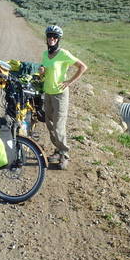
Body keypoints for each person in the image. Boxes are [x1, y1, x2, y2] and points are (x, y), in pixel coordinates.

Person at [39, 25, 88, 170]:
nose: (52, 39)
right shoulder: (44, 54)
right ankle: (58, 150)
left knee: (59, 127)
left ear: (58, 39)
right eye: (50, 36)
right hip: (47, 93)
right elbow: (45, 73)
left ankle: (64, 154)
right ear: (46, 38)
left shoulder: (64, 54)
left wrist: (69, 82)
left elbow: (82, 67)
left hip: (60, 95)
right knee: (50, 125)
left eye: (55, 37)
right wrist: (42, 72)